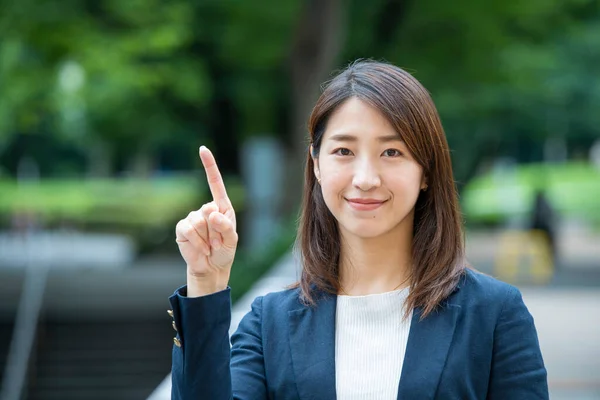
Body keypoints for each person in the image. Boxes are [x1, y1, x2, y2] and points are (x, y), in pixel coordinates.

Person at [167, 60, 548, 399]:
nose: (365, 178)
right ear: (316, 165)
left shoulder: (494, 314)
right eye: (344, 152)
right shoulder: (271, 323)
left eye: (392, 152)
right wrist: (206, 284)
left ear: (426, 171)